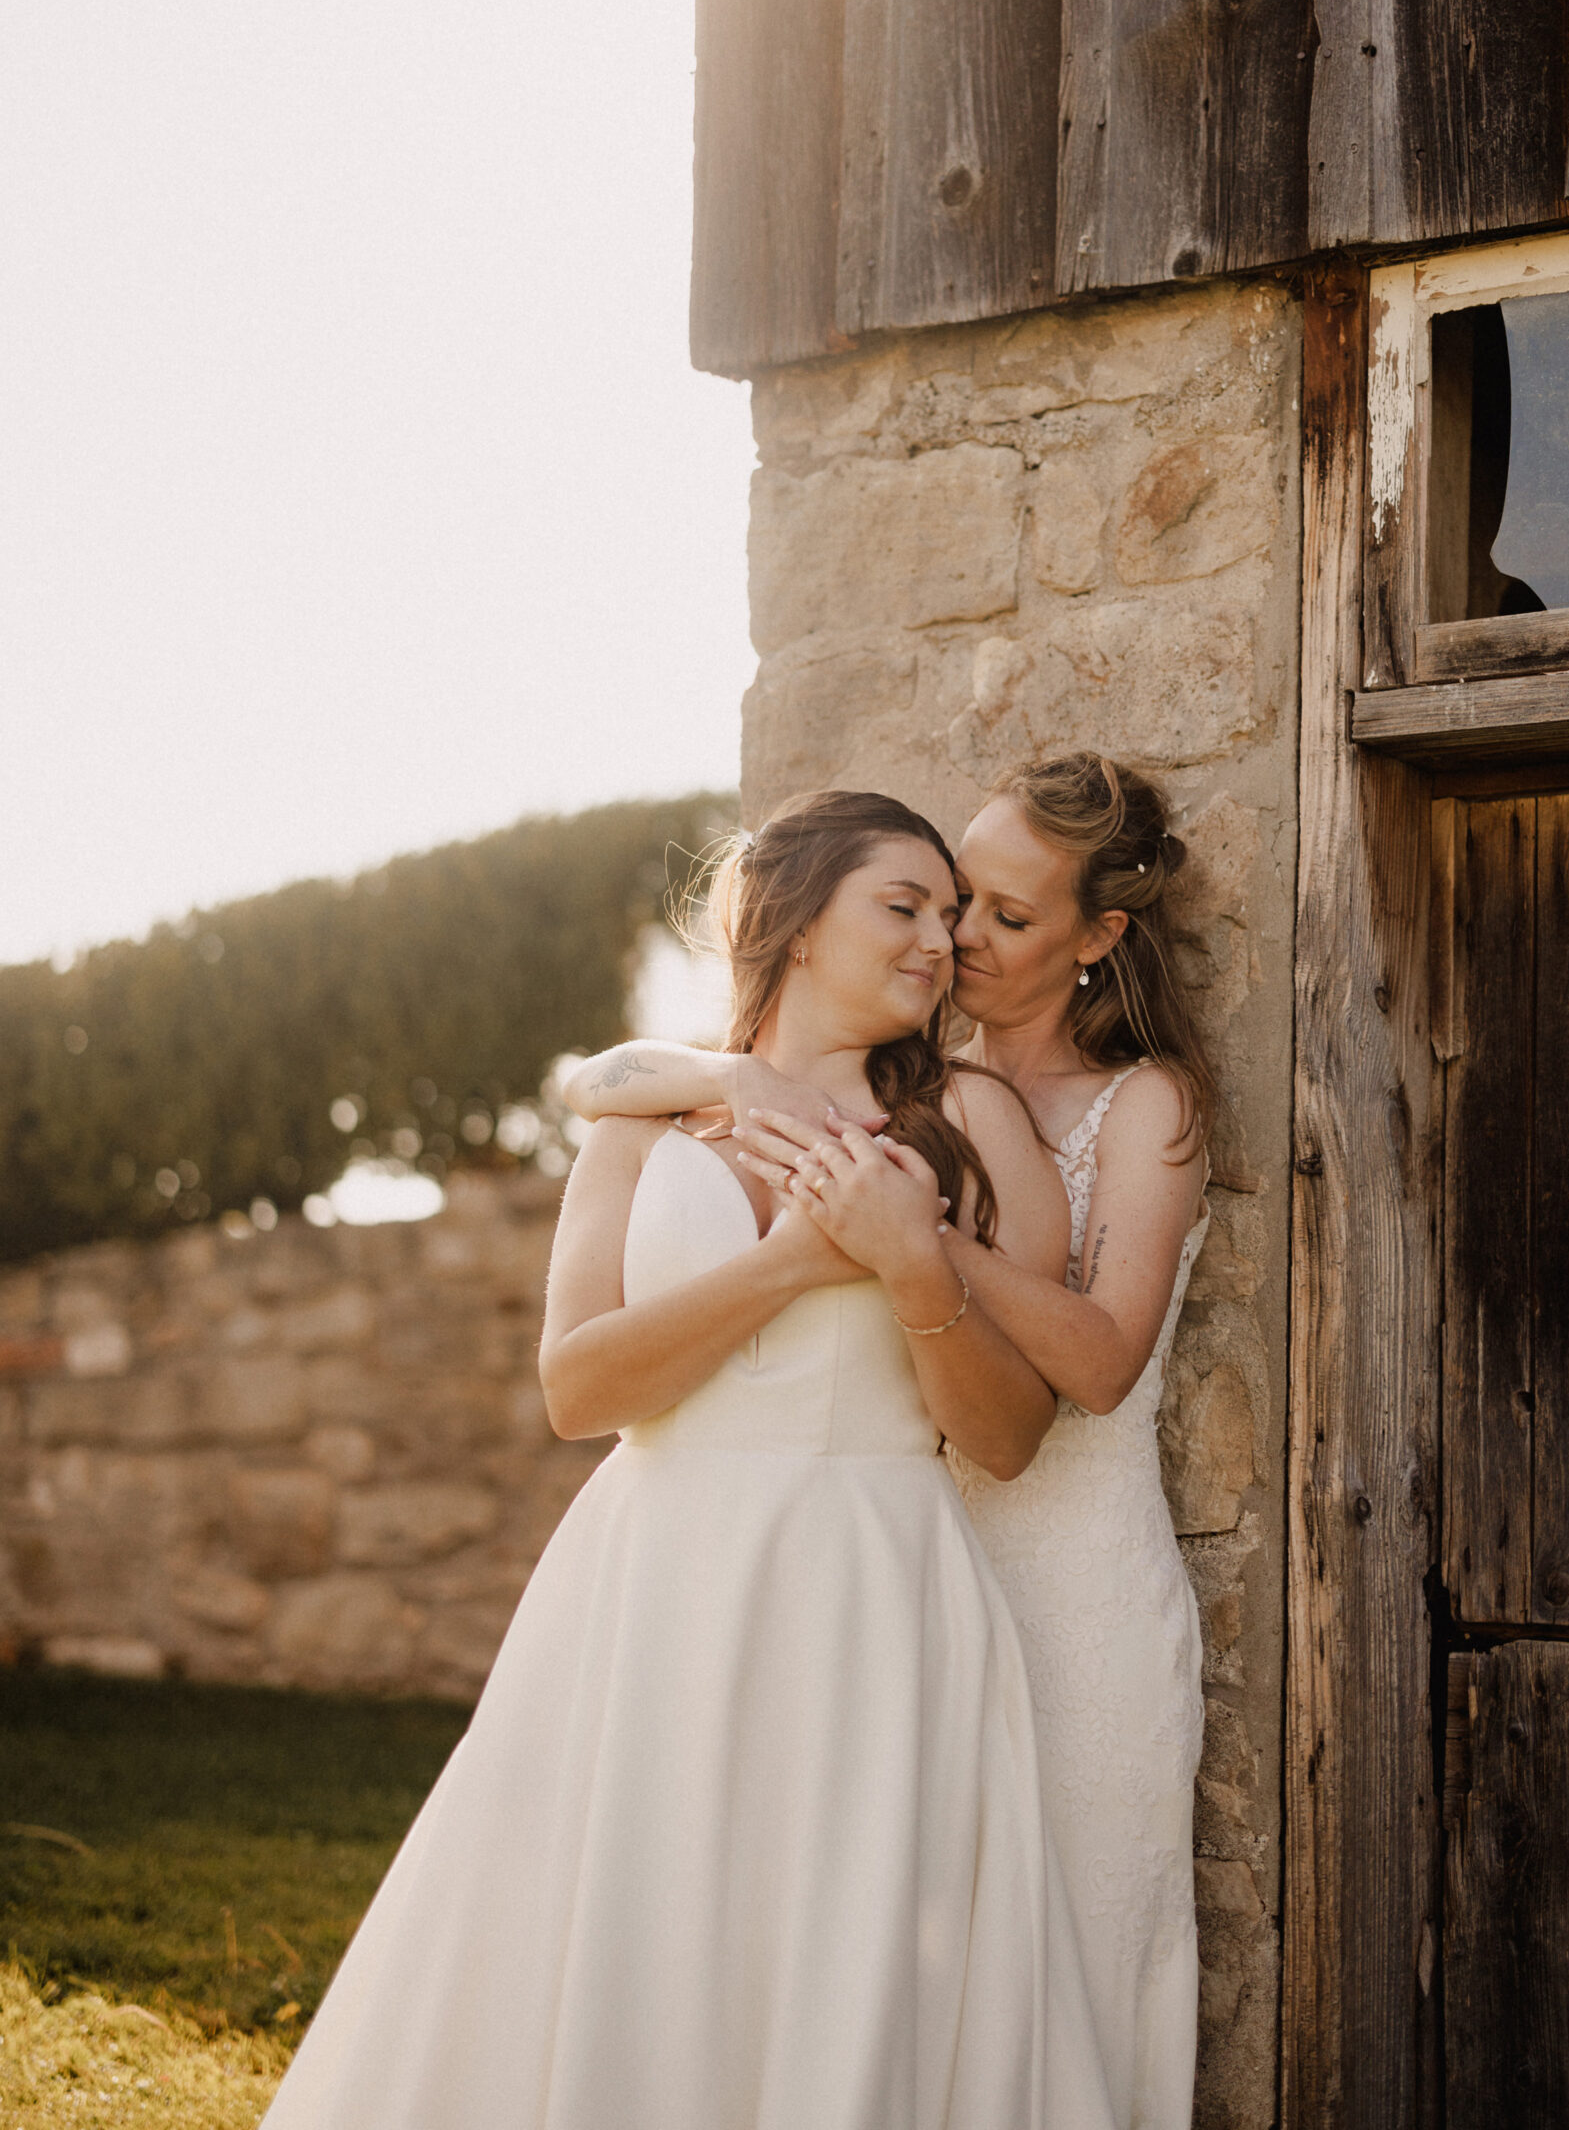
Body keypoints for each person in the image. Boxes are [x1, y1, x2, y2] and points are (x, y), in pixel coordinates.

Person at [263, 789, 1118, 2130]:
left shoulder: (973, 1123)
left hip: (872, 1586)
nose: (941, 942)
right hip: (654, 1578)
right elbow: (578, 1388)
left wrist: (912, 1267)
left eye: (952, 915)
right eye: (904, 906)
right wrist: (790, 1263)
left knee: (835, 1943)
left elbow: (1008, 1440)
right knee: (640, 1922)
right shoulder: (649, 1119)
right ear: (795, 919)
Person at [574, 755, 1212, 2130]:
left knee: (1061, 1962)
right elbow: (602, 1099)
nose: (956, 938)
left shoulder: (1120, 1106)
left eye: (997, 916)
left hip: (1048, 1564)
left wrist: (909, 1242)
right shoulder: (890, 1092)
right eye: (939, 901)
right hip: (886, 1554)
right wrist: (732, 1080)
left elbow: (1096, 1365)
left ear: (1098, 937)